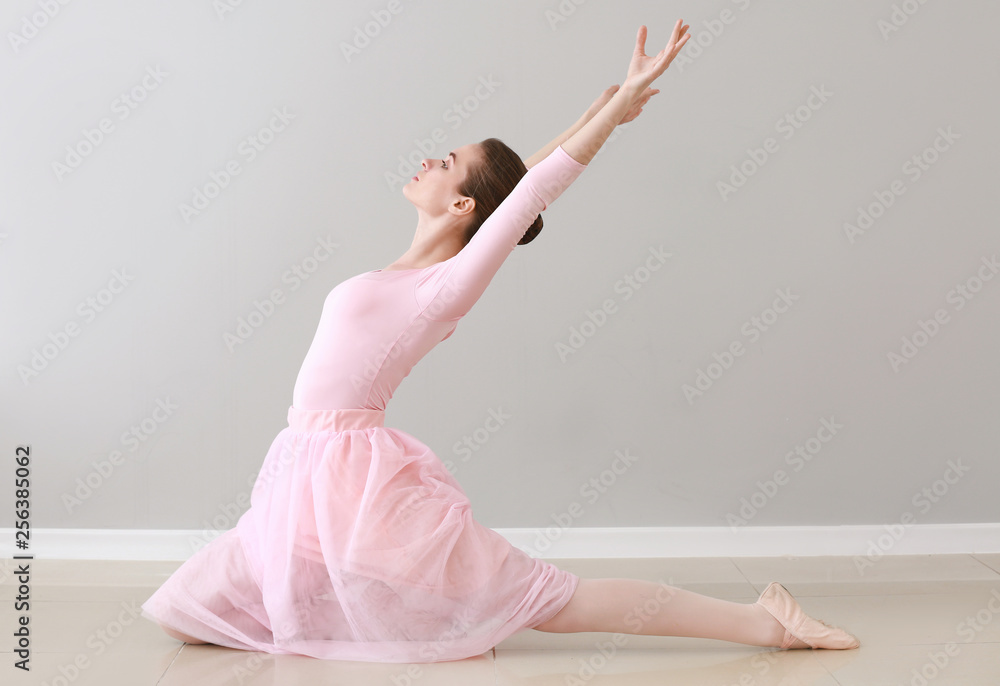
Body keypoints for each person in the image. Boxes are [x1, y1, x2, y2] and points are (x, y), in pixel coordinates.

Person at [141, 20, 859, 662]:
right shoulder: (409, 269)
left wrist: (610, 115)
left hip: (355, 479)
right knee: (183, 610)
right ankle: (384, 625)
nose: (429, 158)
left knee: (551, 602)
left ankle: (766, 624)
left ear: (460, 205)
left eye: (446, 162)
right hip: (304, 468)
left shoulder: (443, 289)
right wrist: (588, 113)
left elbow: (527, 196)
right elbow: (509, 192)